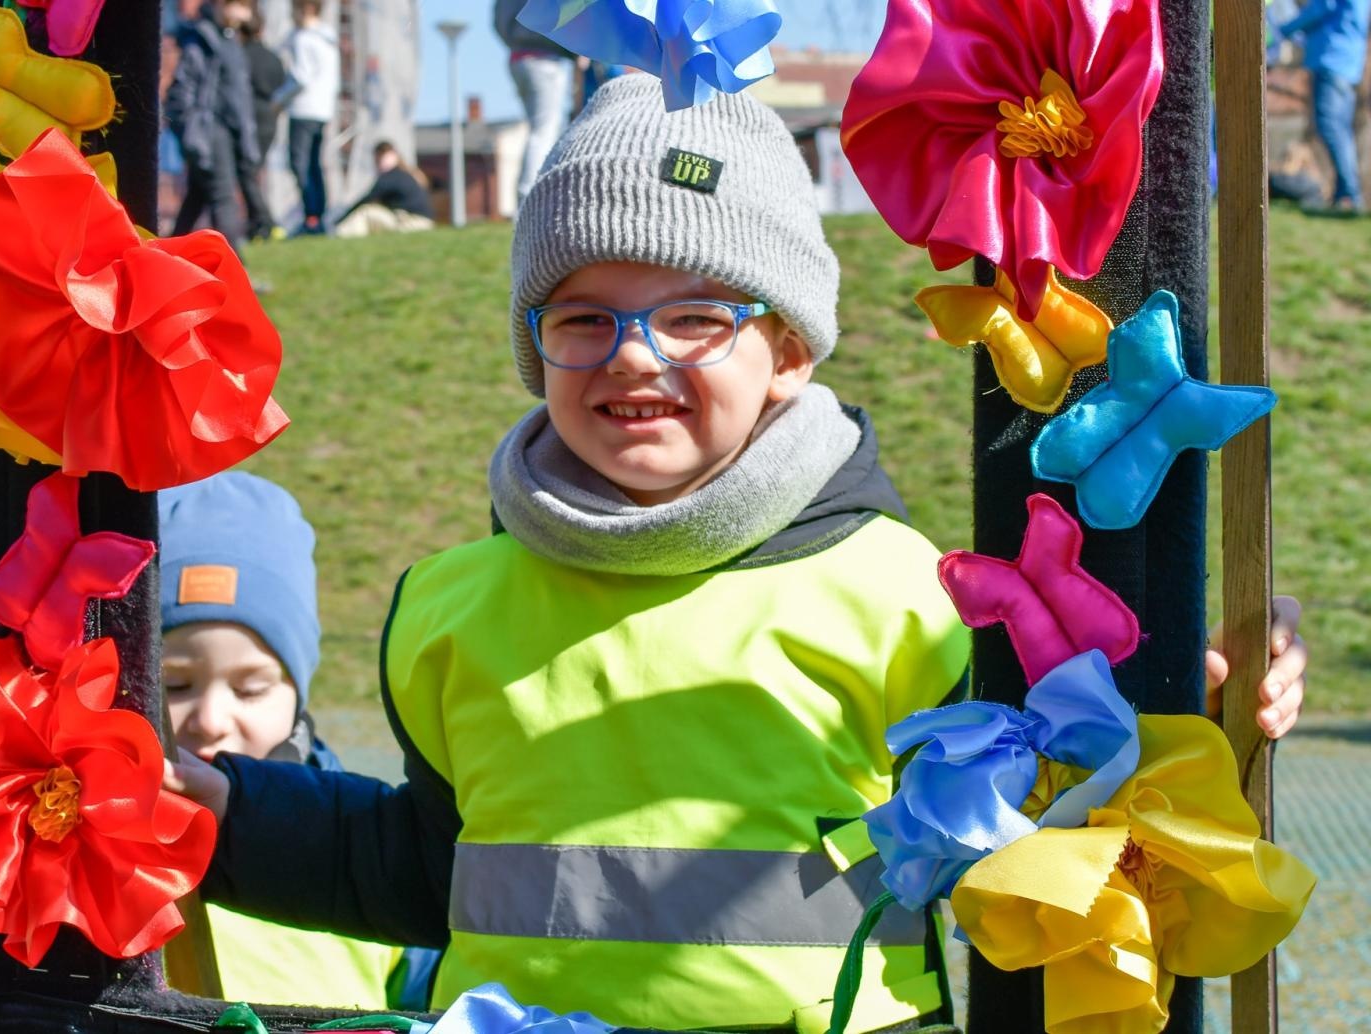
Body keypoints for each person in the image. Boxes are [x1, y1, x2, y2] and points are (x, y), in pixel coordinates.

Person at [164, 78, 1310, 1032]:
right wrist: (224, 811)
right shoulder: (447, 607)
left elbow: (1054, 825)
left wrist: (1191, 704)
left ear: (791, 351)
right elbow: (423, 867)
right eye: (580, 317)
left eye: (695, 314)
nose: (632, 355)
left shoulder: (910, 594)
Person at [158, 472, 435, 1009]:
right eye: (175, 684)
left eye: (250, 687)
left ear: (297, 690)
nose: (212, 719)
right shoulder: (76, 848)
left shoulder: (366, 847)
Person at [166, 1, 259, 252]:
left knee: (196, 199)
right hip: (210, 132)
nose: (246, 14)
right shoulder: (203, 39)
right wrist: (193, 131)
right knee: (224, 198)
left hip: (226, 133)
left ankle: (166, 253)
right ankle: (236, 270)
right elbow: (184, 91)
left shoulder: (229, 39)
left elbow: (238, 95)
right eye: (241, 6)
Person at [1279, 0, 1371, 212]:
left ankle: (1349, 195)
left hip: (1332, 58)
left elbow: (1321, 6)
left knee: (1330, 127)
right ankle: (1344, 195)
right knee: (1340, 130)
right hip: (1348, 63)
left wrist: (1282, 30)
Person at [494, 0, 574, 205]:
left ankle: (528, 194)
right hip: (543, 60)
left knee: (538, 130)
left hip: (518, 57)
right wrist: (572, 51)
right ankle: (530, 195)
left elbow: (499, 23)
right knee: (545, 131)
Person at [231, 2, 287, 242]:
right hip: (270, 117)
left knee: (247, 172)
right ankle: (258, 225)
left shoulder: (241, 55)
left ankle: (267, 223)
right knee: (252, 172)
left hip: (250, 118)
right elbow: (284, 86)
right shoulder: (274, 58)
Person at [285, 0, 340, 235]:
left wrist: (276, 101)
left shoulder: (303, 38)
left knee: (300, 164)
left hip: (303, 108)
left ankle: (311, 218)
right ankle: (318, 216)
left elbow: (300, 77)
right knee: (314, 165)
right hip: (323, 110)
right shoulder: (329, 40)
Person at [334, 141, 435, 238]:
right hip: (421, 222)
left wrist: (342, 218)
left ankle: (339, 237)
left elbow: (366, 199)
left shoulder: (392, 176)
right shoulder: (407, 174)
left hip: (411, 223)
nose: (378, 161)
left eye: (380, 157)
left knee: (366, 212)